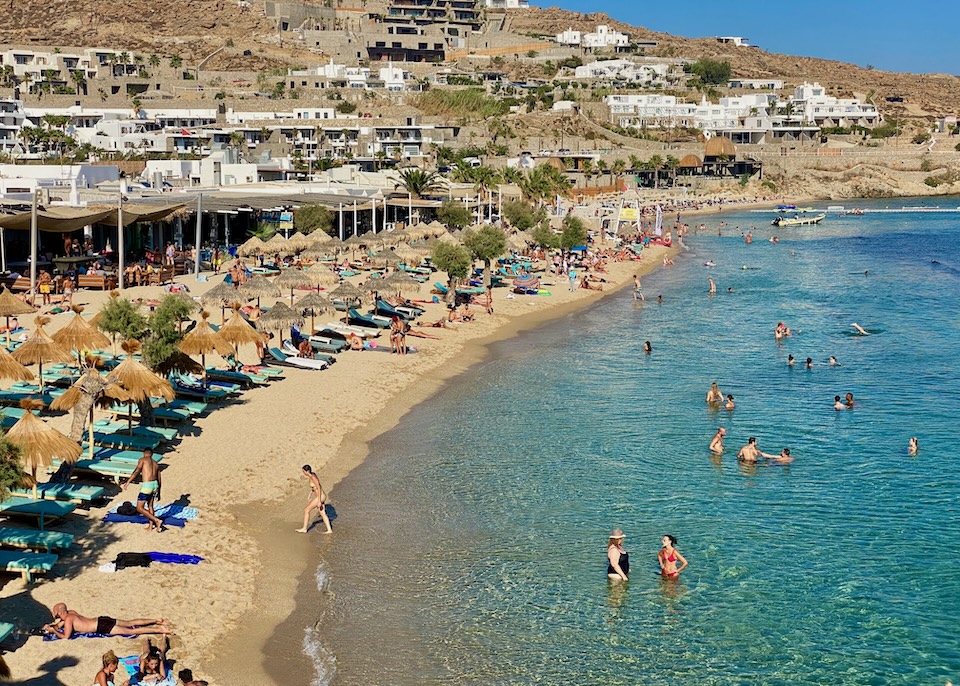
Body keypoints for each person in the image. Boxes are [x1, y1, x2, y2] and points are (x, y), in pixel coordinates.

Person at [44, 603, 171, 639]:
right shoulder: (71, 613)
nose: (57, 618)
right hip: (102, 619)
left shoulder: (68, 620)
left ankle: (159, 630)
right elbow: (60, 623)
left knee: (131, 631)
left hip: (102, 627)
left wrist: (54, 630)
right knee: (130, 622)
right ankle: (158, 620)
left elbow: (66, 636)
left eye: (57, 615)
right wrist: (52, 625)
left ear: (60, 613)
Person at [121, 449, 163, 532]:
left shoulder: (142, 460)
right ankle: (150, 527)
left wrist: (128, 481)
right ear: (152, 454)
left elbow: (137, 471)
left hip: (147, 486)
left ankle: (157, 520)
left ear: (144, 453)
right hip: (155, 485)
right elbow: (159, 478)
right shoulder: (155, 463)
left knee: (139, 508)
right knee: (150, 506)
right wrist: (159, 492)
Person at [296, 465, 332, 534]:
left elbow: (318, 487)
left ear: (307, 471)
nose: (303, 473)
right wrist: (310, 494)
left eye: (303, 471)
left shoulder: (313, 477)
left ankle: (304, 528)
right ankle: (329, 530)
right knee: (322, 513)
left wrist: (319, 501)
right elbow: (314, 487)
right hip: (321, 496)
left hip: (320, 497)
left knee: (306, 510)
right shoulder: (311, 476)